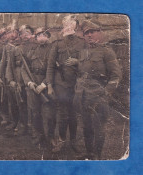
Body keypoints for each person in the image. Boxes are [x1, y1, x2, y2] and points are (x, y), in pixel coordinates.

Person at [73, 20, 122, 159]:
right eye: (86, 33)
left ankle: (98, 156)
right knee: (86, 126)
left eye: (92, 32)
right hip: (83, 95)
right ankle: (89, 153)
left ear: (99, 33)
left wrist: (106, 94)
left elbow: (116, 76)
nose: (89, 35)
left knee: (99, 128)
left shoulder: (107, 52)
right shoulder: (83, 52)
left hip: (99, 97)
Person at [47, 15, 85, 152]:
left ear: (76, 26)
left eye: (71, 24)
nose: (68, 26)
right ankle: (62, 140)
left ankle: (73, 141)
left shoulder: (82, 43)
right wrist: (50, 85)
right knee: (62, 114)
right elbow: (50, 66)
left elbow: (88, 64)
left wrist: (78, 62)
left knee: (74, 114)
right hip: (61, 84)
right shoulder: (57, 44)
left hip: (76, 84)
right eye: (66, 24)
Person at [21, 27, 53, 145]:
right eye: (38, 35)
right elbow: (24, 69)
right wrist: (29, 83)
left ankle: (50, 137)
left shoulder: (53, 50)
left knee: (48, 113)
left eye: (43, 34)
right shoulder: (33, 50)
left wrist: (44, 84)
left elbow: (54, 70)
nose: (40, 37)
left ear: (48, 36)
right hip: (34, 84)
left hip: (47, 84)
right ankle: (38, 135)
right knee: (35, 112)